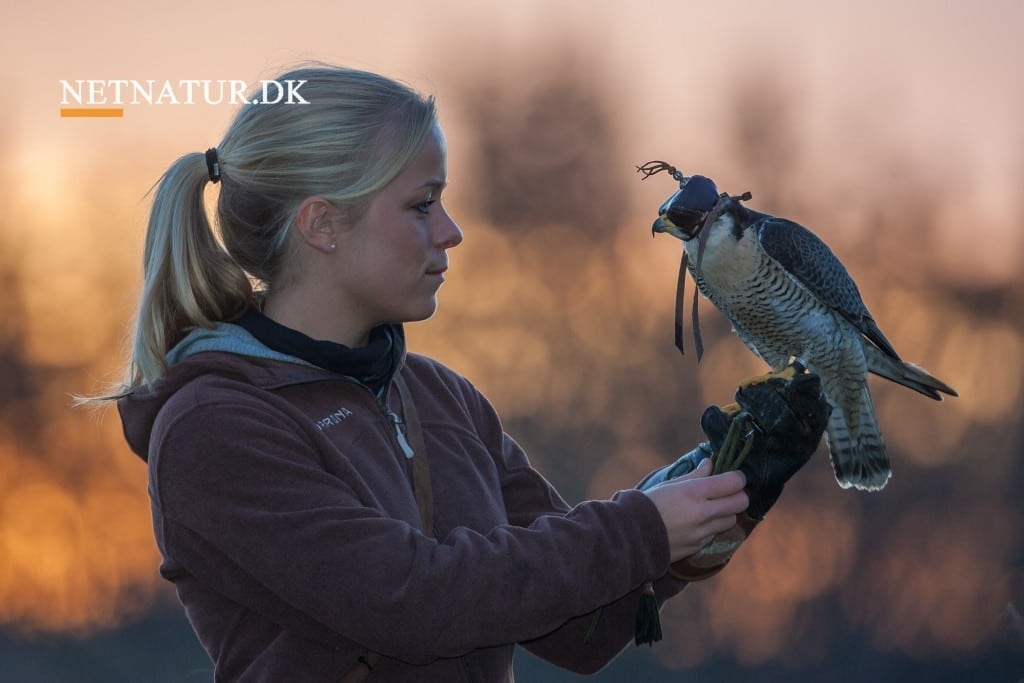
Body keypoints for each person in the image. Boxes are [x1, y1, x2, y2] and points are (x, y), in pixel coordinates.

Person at [107, 64, 830, 681]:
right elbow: (410, 600)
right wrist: (643, 526)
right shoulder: (214, 426)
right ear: (322, 225)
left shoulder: (443, 397)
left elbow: (580, 628)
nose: (451, 230)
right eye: (422, 205)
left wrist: (725, 486)